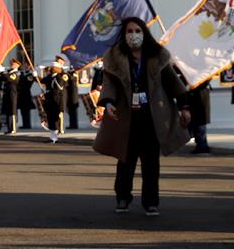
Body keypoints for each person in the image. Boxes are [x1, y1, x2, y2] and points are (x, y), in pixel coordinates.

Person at [94, 17, 191, 216]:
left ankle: (151, 202)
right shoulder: (115, 58)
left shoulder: (158, 56)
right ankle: (122, 198)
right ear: (124, 35)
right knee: (125, 162)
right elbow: (109, 85)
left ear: (144, 33)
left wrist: (184, 106)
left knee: (151, 164)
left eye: (137, 31)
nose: (133, 35)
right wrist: (109, 103)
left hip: (152, 118)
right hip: (127, 118)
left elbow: (173, 83)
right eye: (129, 31)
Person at [41, 55, 70, 143]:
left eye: (52, 67)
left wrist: (57, 76)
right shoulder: (51, 76)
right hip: (50, 99)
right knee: (51, 118)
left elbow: (60, 86)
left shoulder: (59, 76)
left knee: (56, 117)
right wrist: (38, 74)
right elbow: (42, 81)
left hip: (57, 99)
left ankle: (58, 133)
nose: (50, 68)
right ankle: (53, 137)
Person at [0, 59, 23, 134]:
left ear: (17, 65)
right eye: (11, 63)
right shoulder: (9, 72)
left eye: (13, 64)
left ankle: (13, 128)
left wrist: (2, 72)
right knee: (8, 111)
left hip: (13, 95)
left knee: (12, 112)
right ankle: (9, 128)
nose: (11, 65)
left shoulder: (16, 73)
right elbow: (1, 78)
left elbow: (9, 79)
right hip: (7, 94)